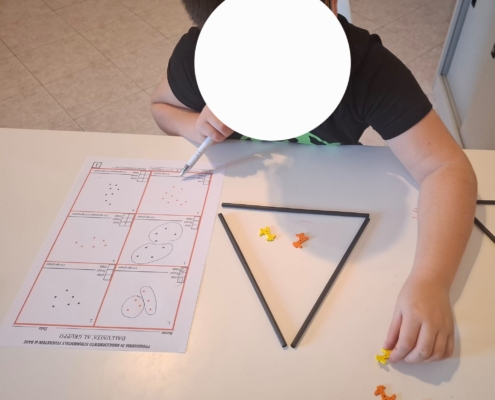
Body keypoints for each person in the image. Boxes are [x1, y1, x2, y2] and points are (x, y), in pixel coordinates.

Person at [151, 0, 478, 363]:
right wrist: (194, 126)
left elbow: (445, 167)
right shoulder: (200, 61)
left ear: (331, 7)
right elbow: (161, 108)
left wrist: (431, 280)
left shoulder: (366, 69)